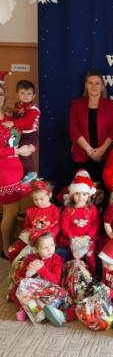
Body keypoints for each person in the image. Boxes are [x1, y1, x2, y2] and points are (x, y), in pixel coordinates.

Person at [44, 232, 113, 338]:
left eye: (107, 263)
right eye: (103, 263)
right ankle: (63, 316)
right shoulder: (108, 268)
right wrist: (101, 287)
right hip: (105, 293)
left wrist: (111, 293)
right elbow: (104, 281)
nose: (104, 266)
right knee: (87, 302)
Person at [0, 81, 35, 259]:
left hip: (16, 167)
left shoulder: (10, 115)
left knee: (13, 210)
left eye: (0, 94)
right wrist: (17, 151)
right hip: (3, 169)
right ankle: (6, 248)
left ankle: (11, 244)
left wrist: (30, 146)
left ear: (5, 96)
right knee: (11, 210)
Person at [69, 71, 113, 183]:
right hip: (82, 155)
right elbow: (74, 130)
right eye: (90, 83)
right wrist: (90, 151)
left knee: (104, 189)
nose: (94, 86)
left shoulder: (111, 104)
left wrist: (101, 150)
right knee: (82, 189)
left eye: (97, 83)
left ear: (102, 87)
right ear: (86, 85)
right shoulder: (77, 104)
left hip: (105, 155)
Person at [10, 231, 64, 321]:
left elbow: (56, 281)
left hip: (48, 289)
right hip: (33, 289)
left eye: (52, 245)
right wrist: (27, 268)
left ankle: (41, 311)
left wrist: (42, 269)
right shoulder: (30, 258)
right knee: (16, 289)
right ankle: (24, 310)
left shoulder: (57, 260)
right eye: (45, 247)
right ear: (35, 249)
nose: (50, 249)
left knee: (51, 299)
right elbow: (21, 275)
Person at [8, 180, 61, 263]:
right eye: (35, 199)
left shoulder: (55, 210)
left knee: (39, 258)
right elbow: (27, 226)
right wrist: (31, 231)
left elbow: (57, 227)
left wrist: (46, 235)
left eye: (42, 199)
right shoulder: (31, 211)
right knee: (11, 250)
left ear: (49, 195)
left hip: (47, 241)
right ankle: (16, 268)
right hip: (32, 239)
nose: (39, 202)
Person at [58, 176, 100, 276]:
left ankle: (93, 276)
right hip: (73, 239)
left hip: (88, 238)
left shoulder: (92, 208)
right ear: (72, 195)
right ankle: (76, 277)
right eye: (77, 194)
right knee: (76, 258)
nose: (81, 197)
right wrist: (73, 238)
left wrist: (88, 236)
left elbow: (96, 225)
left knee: (90, 256)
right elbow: (65, 227)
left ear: (88, 195)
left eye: (84, 194)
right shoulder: (68, 209)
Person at [1, 80, 40, 184]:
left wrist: (33, 148)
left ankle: (30, 172)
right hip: (4, 171)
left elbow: (26, 121)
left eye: (29, 93)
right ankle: (29, 172)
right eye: (22, 93)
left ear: (34, 95)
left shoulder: (32, 109)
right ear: (17, 94)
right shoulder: (17, 106)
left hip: (30, 134)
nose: (26, 96)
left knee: (25, 152)